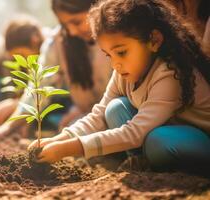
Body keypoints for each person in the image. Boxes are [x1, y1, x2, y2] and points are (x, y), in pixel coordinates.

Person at [28, 0, 210, 173]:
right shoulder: (123, 72)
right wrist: (59, 139)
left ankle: (187, 173)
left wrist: (68, 148)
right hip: (167, 130)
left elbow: (134, 133)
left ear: (154, 41)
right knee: (115, 108)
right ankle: (139, 161)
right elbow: (98, 114)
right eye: (109, 55)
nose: (115, 64)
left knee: (157, 142)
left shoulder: (170, 73)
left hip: (200, 139)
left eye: (121, 52)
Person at [0, 0, 112, 137]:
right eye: (64, 25)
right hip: (87, 116)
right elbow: (39, 88)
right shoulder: (56, 43)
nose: (72, 31)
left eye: (76, 22)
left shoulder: (115, 33)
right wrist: (8, 127)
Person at [0, 15, 45, 127]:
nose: (19, 61)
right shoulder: (16, 64)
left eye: (22, 55)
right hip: (26, 103)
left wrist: (17, 104)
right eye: (15, 58)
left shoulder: (50, 53)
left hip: (45, 104)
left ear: (35, 41)